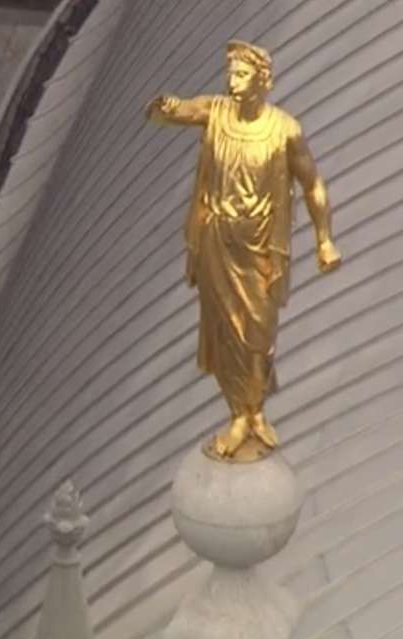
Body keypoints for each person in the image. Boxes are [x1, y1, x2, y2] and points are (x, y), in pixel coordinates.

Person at [147, 40, 342, 461]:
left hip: (260, 250)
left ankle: (254, 408)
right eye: (231, 74)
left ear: (262, 80)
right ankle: (242, 414)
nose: (232, 83)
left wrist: (324, 238)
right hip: (218, 241)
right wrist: (165, 107)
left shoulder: (284, 130)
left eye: (241, 75)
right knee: (224, 333)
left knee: (257, 334)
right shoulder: (216, 113)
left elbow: (312, 183)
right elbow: (177, 111)